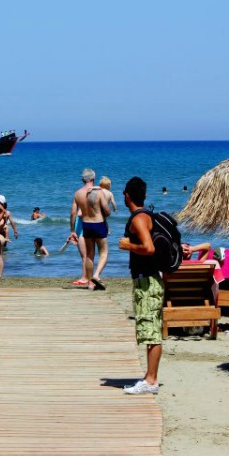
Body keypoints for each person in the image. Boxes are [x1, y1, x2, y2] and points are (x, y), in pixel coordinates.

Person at [119, 176, 162, 394]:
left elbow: (149, 248)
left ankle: (151, 380)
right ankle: (149, 377)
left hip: (147, 280)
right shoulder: (145, 215)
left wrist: (129, 245)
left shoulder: (138, 218)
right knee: (149, 328)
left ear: (127, 195)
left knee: (151, 330)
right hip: (148, 278)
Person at [70, 168, 110, 290]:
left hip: (86, 225)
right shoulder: (99, 192)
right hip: (99, 224)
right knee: (103, 252)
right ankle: (96, 275)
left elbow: (73, 213)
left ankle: (90, 284)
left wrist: (72, 231)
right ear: (93, 179)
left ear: (83, 179)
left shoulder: (77, 194)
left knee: (89, 255)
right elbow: (107, 212)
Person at [0, 195, 18, 278]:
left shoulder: (6, 213)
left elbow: (12, 222)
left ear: (1, 203)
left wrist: (15, 231)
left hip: (0, 234)